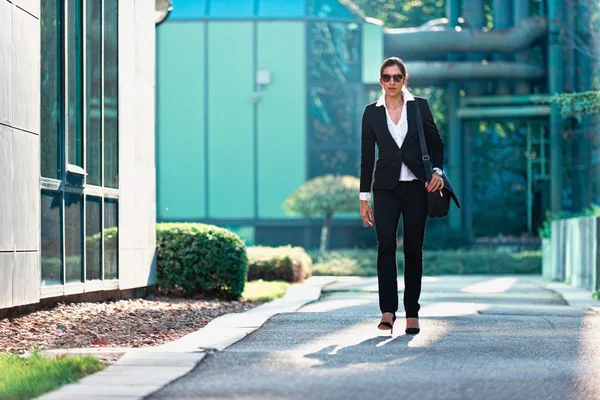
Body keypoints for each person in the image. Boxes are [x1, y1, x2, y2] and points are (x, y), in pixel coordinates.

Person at [359, 57, 445, 335]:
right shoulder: (371, 112)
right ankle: (387, 311)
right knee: (385, 247)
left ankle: (412, 312)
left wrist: (438, 172)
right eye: (387, 77)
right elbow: (366, 157)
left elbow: (436, 143)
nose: (392, 82)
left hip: (417, 187)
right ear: (381, 81)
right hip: (384, 188)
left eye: (397, 77)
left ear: (405, 80)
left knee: (413, 250)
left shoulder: (419, 106)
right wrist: (363, 197)